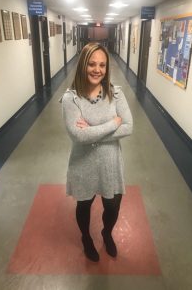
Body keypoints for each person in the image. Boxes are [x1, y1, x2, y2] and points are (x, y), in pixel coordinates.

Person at [60, 42, 133, 262]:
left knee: (112, 206)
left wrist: (92, 132)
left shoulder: (116, 93)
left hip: (111, 162)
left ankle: (106, 233)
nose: (97, 69)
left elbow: (129, 127)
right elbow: (78, 136)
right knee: (84, 205)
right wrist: (112, 124)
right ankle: (85, 237)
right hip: (83, 164)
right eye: (91, 64)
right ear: (83, 65)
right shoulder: (70, 99)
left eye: (102, 65)